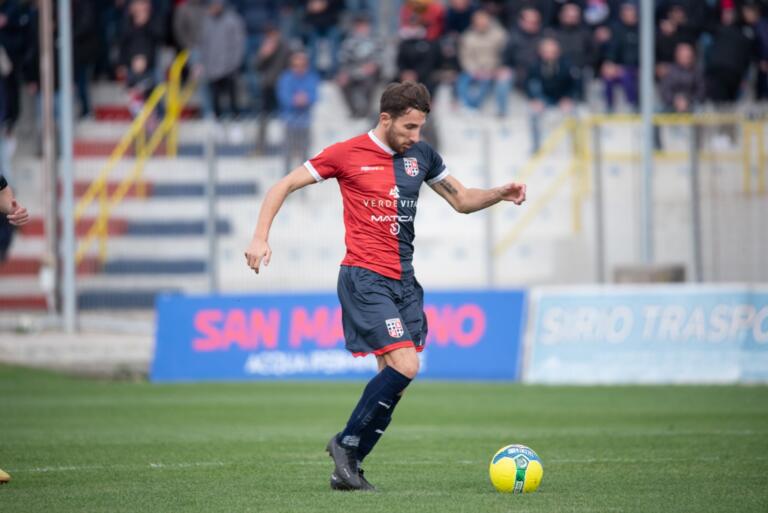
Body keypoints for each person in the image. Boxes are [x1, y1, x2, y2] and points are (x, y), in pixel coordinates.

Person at [244, 81, 527, 491]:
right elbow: (281, 186)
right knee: (406, 365)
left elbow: (462, 200)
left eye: (420, 128)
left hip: (405, 282)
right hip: (364, 277)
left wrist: (499, 193)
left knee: (393, 384)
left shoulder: (421, 156)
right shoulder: (346, 153)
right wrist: (259, 237)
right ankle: (344, 443)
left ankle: (349, 468)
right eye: (409, 127)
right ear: (385, 118)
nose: (415, 136)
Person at [276, 51, 319, 175]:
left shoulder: (311, 77)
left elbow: (314, 95)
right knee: (288, 153)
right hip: (289, 121)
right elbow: (283, 96)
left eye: (302, 65)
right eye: (296, 65)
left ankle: (304, 181)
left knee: (305, 154)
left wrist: (305, 99)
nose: (299, 68)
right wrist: (295, 100)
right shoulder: (285, 78)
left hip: (305, 122)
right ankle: (286, 178)